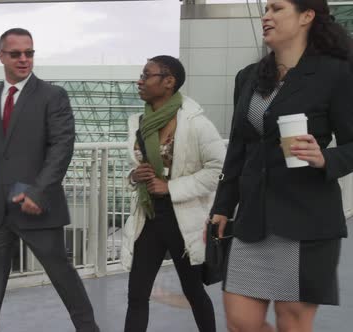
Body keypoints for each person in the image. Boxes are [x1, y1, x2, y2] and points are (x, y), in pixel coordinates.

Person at [210, 0, 353, 331]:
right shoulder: (248, 77)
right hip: (252, 220)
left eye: (276, 8)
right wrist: (222, 206)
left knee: (292, 323)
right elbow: (240, 147)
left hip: (305, 220)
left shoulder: (335, 74)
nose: (266, 16)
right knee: (240, 322)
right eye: (266, 9)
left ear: (306, 16)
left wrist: (325, 158)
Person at [0, 28, 100, 332]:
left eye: (29, 53)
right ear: (1, 56)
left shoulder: (53, 96)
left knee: (64, 279)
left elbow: (61, 147)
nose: (24, 59)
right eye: (16, 54)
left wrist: (39, 192)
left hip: (37, 207)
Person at [121, 55, 226, 332]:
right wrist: (135, 176)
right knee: (136, 295)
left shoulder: (195, 123)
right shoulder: (139, 123)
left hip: (183, 219)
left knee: (194, 293)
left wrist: (171, 187)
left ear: (169, 82)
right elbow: (134, 168)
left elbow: (219, 169)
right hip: (150, 217)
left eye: (147, 75)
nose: (140, 81)